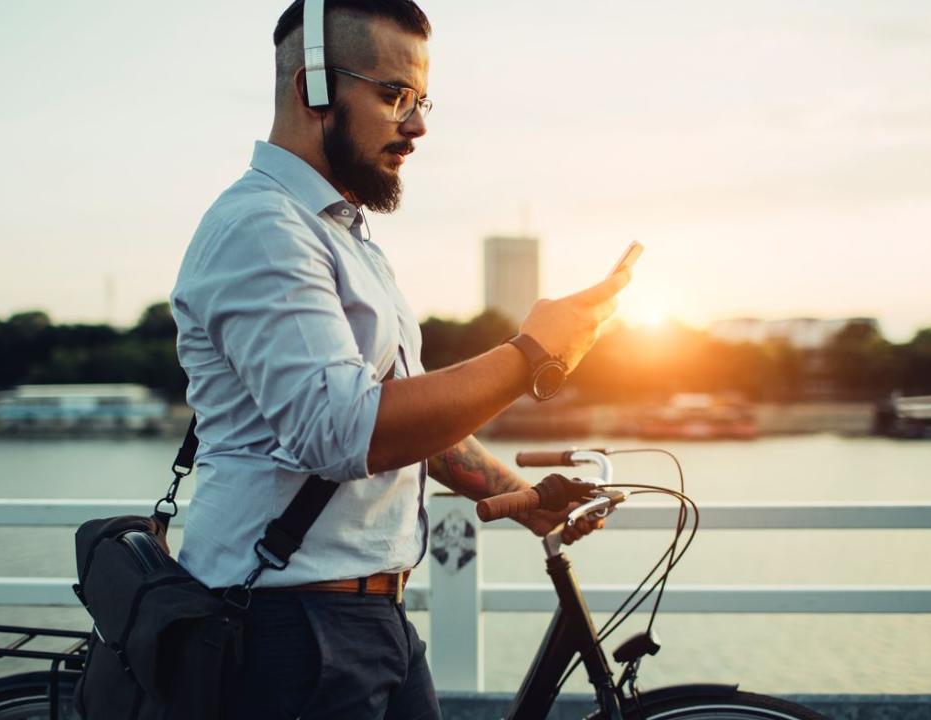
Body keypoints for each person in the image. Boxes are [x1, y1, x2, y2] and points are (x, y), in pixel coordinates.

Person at [168, 1, 630, 717]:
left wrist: (527, 500)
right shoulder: (261, 229)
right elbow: (346, 432)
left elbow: (406, 418)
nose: (417, 126)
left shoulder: (342, 236)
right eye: (394, 95)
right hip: (288, 628)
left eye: (422, 101)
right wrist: (531, 353)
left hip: (369, 616)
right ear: (311, 89)